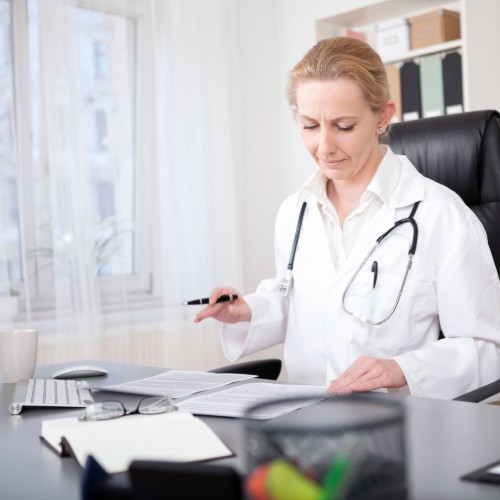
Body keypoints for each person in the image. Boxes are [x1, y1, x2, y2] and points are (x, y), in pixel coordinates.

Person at [194, 36, 500, 399]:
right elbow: (301, 301)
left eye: (343, 126)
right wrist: (248, 310)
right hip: (305, 420)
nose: (324, 147)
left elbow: (488, 348)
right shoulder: (295, 211)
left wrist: (403, 368)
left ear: (383, 117)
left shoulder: (443, 217)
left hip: (396, 433)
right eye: (309, 126)